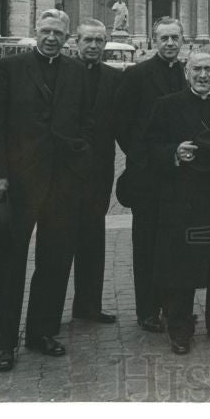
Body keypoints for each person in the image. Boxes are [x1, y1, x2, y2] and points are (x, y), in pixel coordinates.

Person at [0, 9, 93, 371]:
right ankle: (4, 343)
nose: (51, 37)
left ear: (67, 38)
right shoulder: (8, 68)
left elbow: (86, 122)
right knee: (11, 262)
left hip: (63, 182)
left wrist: (79, 162)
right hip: (18, 181)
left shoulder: (78, 72)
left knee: (56, 261)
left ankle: (41, 332)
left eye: (58, 33)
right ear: (36, 32)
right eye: (46, 31)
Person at [143, 50, 210, 354]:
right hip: (183, 198)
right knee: (181, 270)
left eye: (209, 70)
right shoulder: (167, 106)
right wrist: (173, 152)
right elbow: (149, 145)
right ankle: (179, 328)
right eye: (197, 69)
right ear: (187, 73)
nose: (203, 75)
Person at [113, 17, 187, 333]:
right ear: (154, 41)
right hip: (147, 174)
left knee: (174, 243)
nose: (169, 43)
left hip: (180, 176)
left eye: (174, 38)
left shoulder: (188, 73)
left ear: (182, 41)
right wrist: (141, 158)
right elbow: (121, 123)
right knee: (145, 243)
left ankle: (171, 304)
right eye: (164, 38)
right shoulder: (137, 74)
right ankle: (146, 309)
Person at [70, 20, 122, 324]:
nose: (93, 46)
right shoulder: (63, 72)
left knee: (94, 239)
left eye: (99, 41)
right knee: (59, 245)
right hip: (65, 171)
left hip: (100, 170)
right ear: (77, 41)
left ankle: (89, 305)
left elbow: (122, 123)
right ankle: (48, 314)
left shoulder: (115, 78)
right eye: (88, 40)